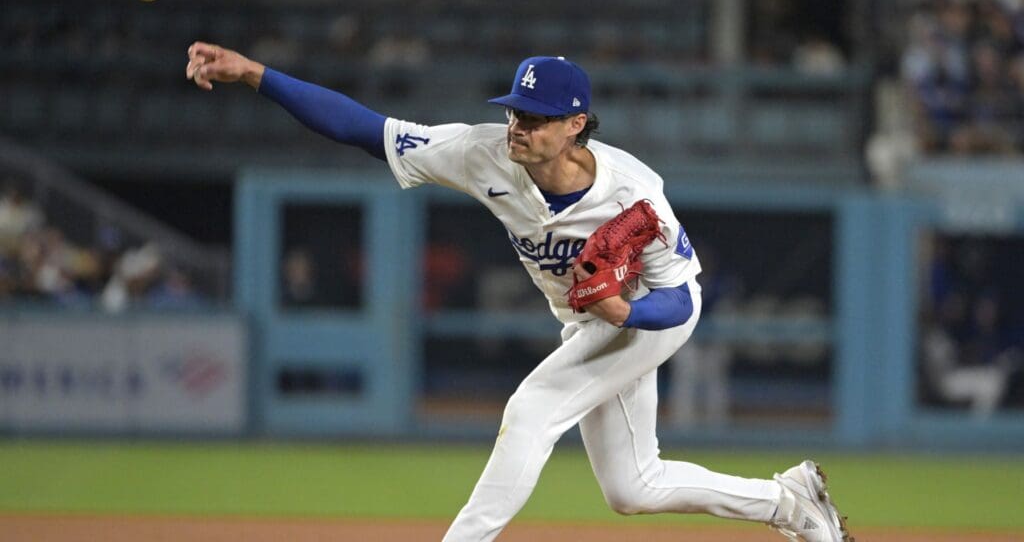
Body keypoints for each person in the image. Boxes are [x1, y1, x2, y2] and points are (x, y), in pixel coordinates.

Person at [185, 42, 852, 542]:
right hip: (589, 320)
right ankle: (790, 504)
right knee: (632, 487)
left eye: (536, 117)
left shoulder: (633, 192)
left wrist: (629, 310)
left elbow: (680, 298)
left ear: (576, 125)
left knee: (532, 409)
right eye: (514, 111)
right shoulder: (484, 155)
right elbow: (365, 129)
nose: (518, 127)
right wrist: (255, 76)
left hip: (650, 312)